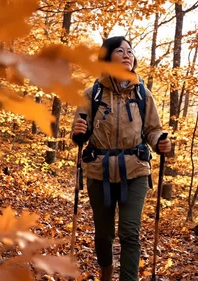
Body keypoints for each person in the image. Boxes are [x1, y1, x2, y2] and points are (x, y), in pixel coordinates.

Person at [71, 36, 171, 281]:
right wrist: (77, 133)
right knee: (103, 234)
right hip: (98, 171)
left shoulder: (142, 94)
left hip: (134, 171)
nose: (127, 55)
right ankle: (105, 271)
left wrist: (160, 141)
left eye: (130, 51)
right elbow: (79, 132)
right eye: (120, 50)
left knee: (129, 233)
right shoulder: (91, 93)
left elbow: (152, 129)